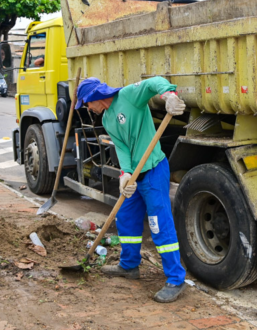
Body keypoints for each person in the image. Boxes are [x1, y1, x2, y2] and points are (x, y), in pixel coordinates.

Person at [76, 76, 187, 303]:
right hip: (134, 175)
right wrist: (126, 173)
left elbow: (153, 82)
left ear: (94, 96)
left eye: (87, 103)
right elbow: (122, 146)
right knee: (126, 217)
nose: (88, 108)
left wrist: (169, 95)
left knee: (159, 224)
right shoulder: (107, 119)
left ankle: (176, 279)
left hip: (154, 170)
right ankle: (129, 266)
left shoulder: (129, 96)